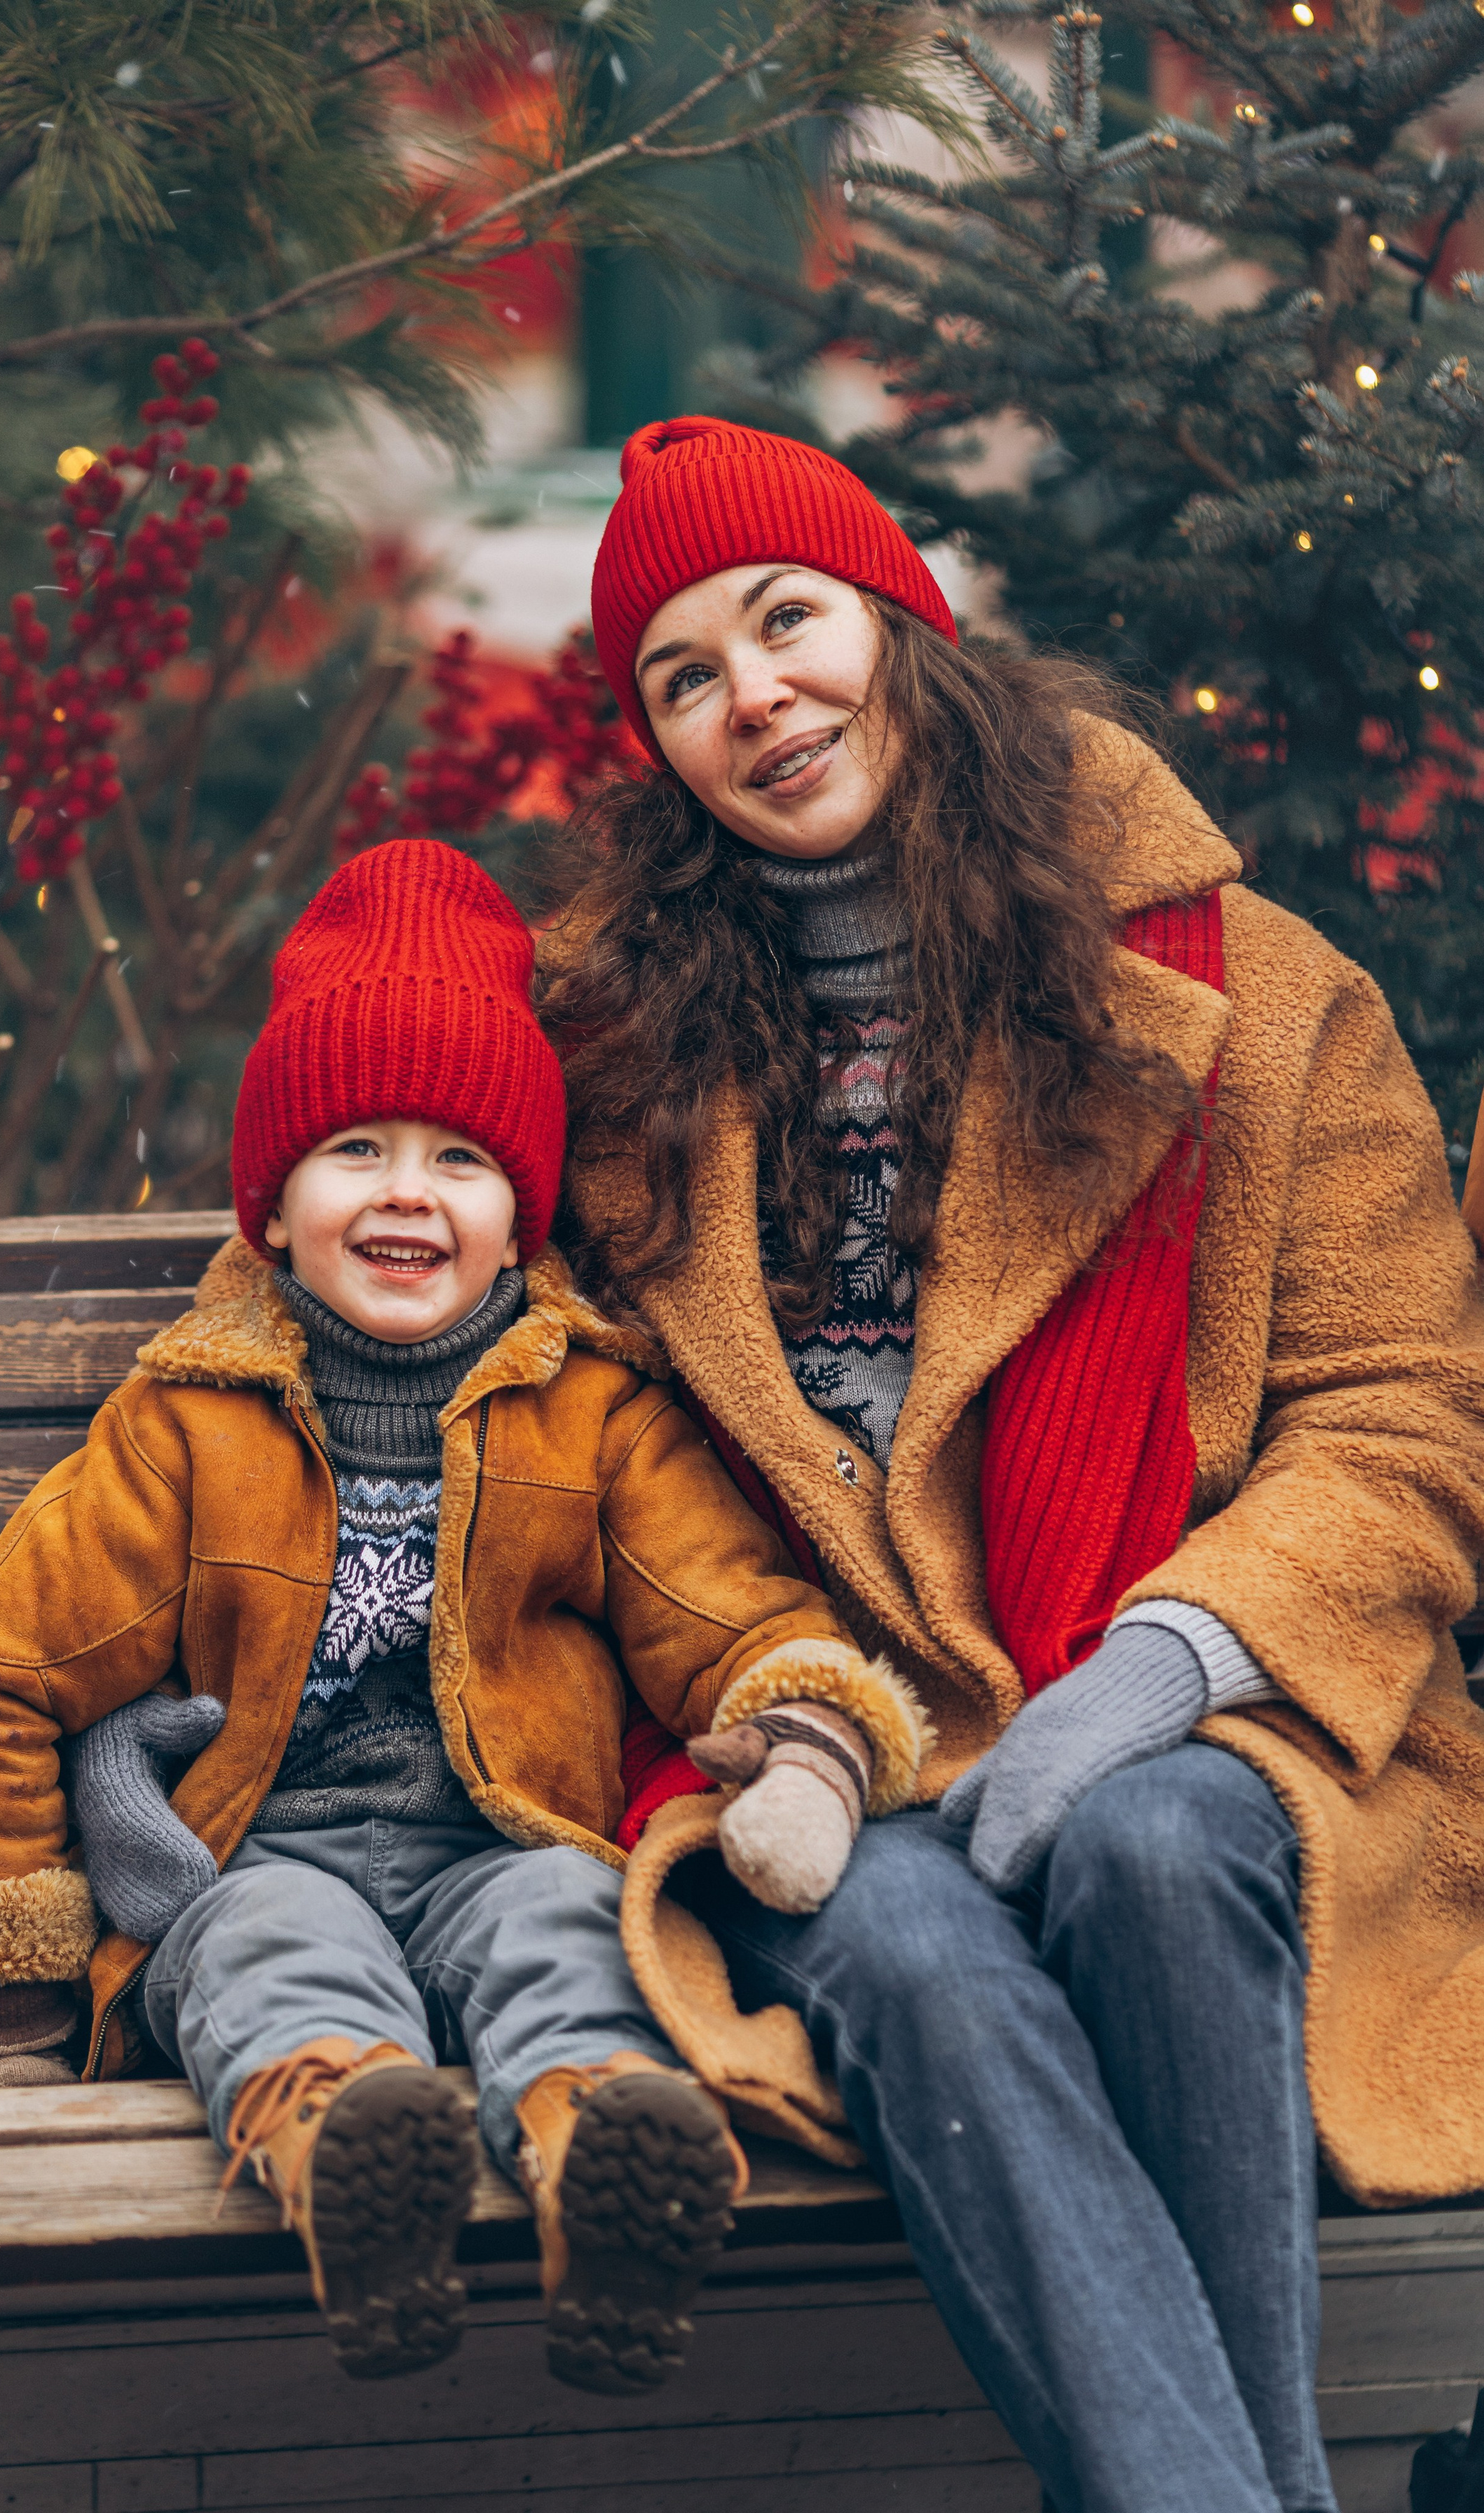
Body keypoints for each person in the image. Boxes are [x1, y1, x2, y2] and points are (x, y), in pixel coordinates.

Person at [538, 416, 1484, 2513]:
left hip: (1205, 1708)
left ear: (904, 627)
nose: (751, 695)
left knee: (1150, 1849)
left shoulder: (1244, 996)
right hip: (811, 1746)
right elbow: (461, 1343)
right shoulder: (609, 1059)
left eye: (786, 621)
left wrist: (1152, 1679)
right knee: (910, 1949)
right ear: (660, 747)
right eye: (682, 675)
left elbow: (1406, 1410)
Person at [0, 838, 930, 2394]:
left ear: (521, 1215)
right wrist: (0, 2004)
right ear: (271, 1201)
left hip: (496, 1846)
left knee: (569, 1932)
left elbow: (718, 1610)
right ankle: (348, 2149)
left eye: (460, 1158)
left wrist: (804, 1733)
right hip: (265, 1850)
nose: (404, 1194)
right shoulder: (190, 1423)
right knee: (265, 1948)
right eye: (353, 1149)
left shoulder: (587, 1411)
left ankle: (605, 2163)